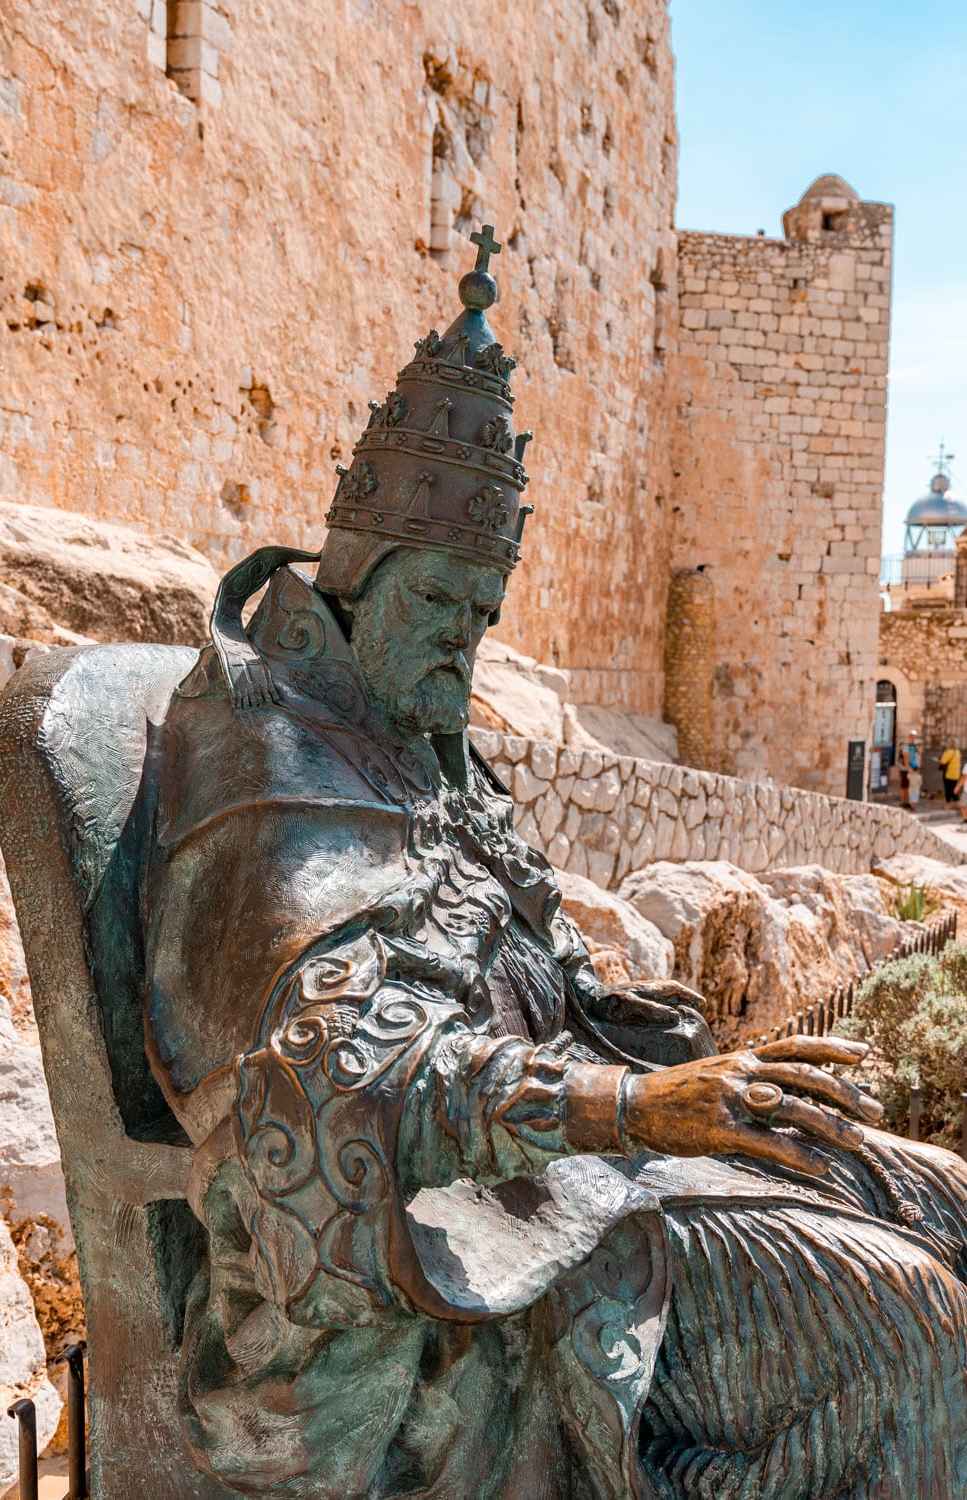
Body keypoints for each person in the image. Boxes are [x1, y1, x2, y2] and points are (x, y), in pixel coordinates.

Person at [145, 232, 967, 1499]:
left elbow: (542, 971)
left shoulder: (416, 738)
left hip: (566, 1176)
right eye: (438, 610)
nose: (461, 655)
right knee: (907, 1322)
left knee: (934, 1192)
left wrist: (687, 1063)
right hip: (435, 1265)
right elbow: (329, 1080)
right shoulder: (271, 768)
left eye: (482, 620)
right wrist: (641, 1109)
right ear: (355, 583)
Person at [940, 738, 962, 805]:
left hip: (948, 773)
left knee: (948, 788)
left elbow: (943, 762)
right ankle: (957, 803)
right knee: (954, 788)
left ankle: (948, 803)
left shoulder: (948, 752)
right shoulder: (958, 752)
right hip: (956, 773)